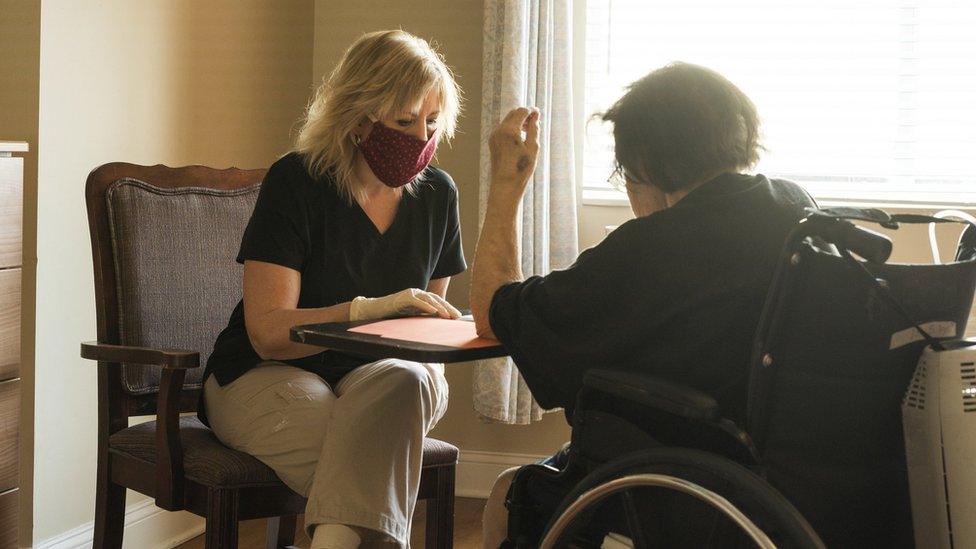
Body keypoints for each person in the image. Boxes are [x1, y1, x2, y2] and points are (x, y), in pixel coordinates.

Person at [470, 62, 817, 547]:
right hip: (785, 483)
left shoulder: (652, 247)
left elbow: (492, 310)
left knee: (508, 491)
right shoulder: (798, 210)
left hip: (687, 482)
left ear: (644, 159)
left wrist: (506, 187)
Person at [201, 30, 465, 549]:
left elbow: (424, 336)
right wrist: (368, 312)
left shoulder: (438, 195)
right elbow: (268, 335)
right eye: (404, 121)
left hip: (384, 382)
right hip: (265, 374)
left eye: (432, 122)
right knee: (366, 452)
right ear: (360, 116)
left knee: (407, 381)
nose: (421, 138)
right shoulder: (296, 181)